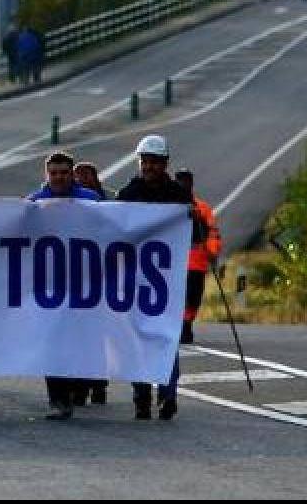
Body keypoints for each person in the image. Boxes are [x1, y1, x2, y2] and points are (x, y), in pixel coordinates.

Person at [116, 135, 200, 421]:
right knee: (137, 339)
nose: (149, 167)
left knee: (167, 339)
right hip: (135, 281)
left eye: (154, 162)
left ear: (164, 164)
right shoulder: (128, 194)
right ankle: (141, 397)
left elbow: (196, 236)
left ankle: (168, 394)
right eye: (145, 161)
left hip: (168, 281)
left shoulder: (178, 195)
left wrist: (193, 219)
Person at [25, 152, 102, 420]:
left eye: (63, 173)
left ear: (72, 174)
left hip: (83, 285)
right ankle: (58, 399)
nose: (58, 178)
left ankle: (78, 388)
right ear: (47, 175)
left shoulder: (91, 201)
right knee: (52, 341)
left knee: (80, 340)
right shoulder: (34, 203)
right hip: (48, 287)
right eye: (53, 173)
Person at [175, 169, 221, 345]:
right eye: (180, 180)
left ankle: (186, 325)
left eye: (186, 180)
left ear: (191, 183)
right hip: (174, 262)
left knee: (193, 297)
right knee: (177, 297)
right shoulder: (168, 205)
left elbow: (212, 232)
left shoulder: (202, 208)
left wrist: (212, 251)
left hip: (196, 262)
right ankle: (178, 326)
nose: (183, 184)